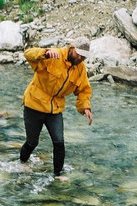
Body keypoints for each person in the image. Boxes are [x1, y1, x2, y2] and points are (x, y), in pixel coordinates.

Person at [19, 37, 93, 179]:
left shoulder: (80, 68)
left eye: (84, 56)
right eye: (79, 54)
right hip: (34, 104)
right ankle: (22, 163)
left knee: (59, 142)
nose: (80, 58)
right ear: (71, 48)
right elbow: (28, 54)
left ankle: (57, 175)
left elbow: (83, 90)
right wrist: (44, 53)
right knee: (32, 142)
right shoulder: (54, 55)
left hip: (55, 109)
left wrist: (85, 107)